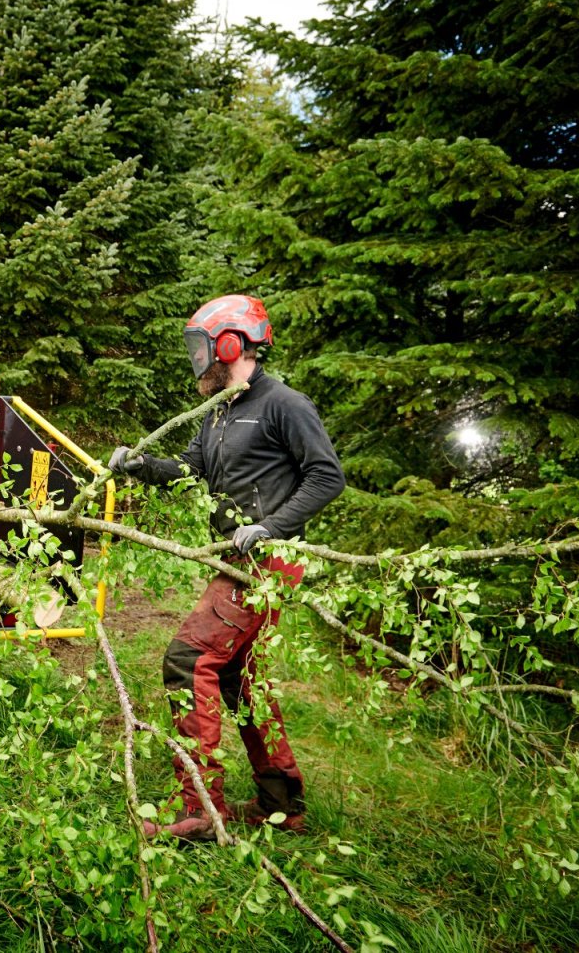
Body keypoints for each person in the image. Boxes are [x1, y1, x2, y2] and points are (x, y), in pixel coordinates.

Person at [108, 294, 344, 840]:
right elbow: (190, 472)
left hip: (268, 562)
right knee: (242, 680)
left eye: (202, 349)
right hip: (242, 560)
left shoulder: (285, 404)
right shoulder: (220, 411)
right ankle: (282, 807)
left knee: (189, 660)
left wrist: (271, 527)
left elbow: (326, 476)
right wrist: (139, 465)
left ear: (232, 345)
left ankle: (199, 809)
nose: (197, 362)